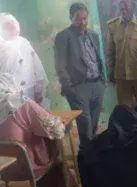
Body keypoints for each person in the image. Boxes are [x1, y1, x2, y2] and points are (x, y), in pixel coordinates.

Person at [0, 32, 67, 187]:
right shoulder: (20, 102)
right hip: (25, 166)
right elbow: (56, 130)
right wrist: (58, 121)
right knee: (53, 139)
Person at [54, 2, 106, 149]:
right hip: (79, 87)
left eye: (84, 18)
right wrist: (70, 89)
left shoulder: (93, 35)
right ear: (71, 18)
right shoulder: (63, 37)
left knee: (94, 125)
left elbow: (97, 58)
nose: (82, 22)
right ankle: (86, 159)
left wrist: (102, 81)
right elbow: (60, 66)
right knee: (85, 127)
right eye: (78, 19)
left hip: (97, 84)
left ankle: (94, 155)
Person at [0, 13, 50, 110]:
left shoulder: (23, 42)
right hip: (10, 94)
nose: (12, 28)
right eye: (7, 26)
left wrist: (39, 85)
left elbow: (36, 64)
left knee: (32, 115)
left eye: (13, 24)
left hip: (30, 88)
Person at [106, 0, 137, 108]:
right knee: (125, 111)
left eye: (126, 6)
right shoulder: (113, 26)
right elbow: (110, 51)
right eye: (121, 6)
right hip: (121, 77)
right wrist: (110, 70)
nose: (123, 9)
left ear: (133, 6)